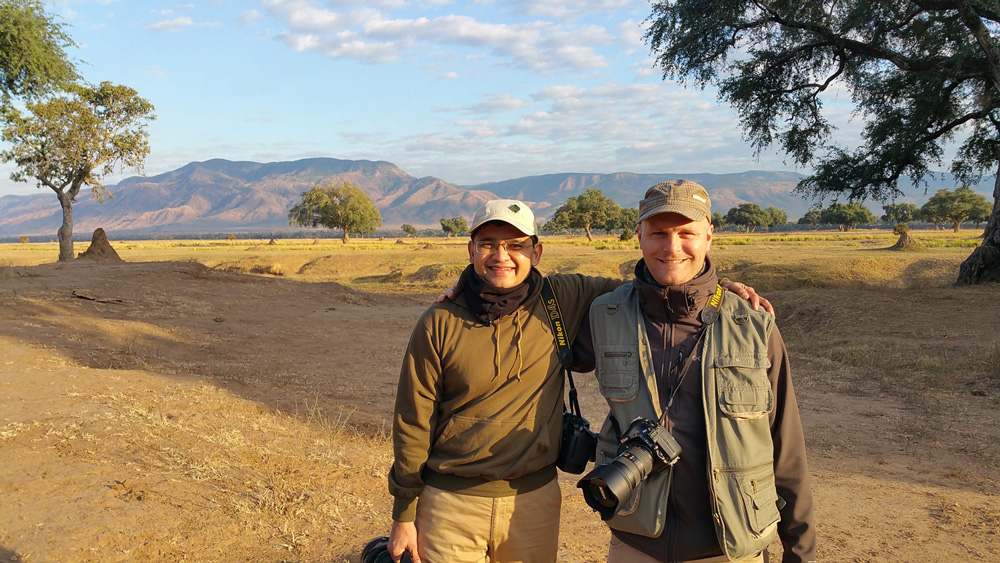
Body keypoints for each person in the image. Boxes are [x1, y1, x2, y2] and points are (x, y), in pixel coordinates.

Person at [387, 198, 772, 563]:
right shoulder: (439, 321)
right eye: (488, 244)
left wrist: (719, 290)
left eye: (515, 245)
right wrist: (403, 513)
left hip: (533, 499)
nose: (501, 256)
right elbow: (412, 419)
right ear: (471, 250)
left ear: (535, 253)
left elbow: (653, 286)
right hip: (449, 500)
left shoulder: (562, 296)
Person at [573, 180, 816, 563]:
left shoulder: (752, 323)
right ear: (639, 235)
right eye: (658, 234)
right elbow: (530, 313)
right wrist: (469, 290)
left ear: (709, 236)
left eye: (687, 233)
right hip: (635, 543)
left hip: (728, 547)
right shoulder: (606, 314)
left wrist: (800, 552)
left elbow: (786, 448)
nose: (672, 248)